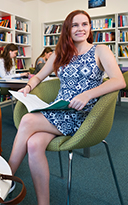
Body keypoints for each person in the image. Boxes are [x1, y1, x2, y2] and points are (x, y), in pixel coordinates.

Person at [8, 10, 126, 205]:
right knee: (34, 144)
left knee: (28, 120)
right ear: (67, 30)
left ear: (90, 28)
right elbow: (39, 76)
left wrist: (88, 93)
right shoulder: (61, 53)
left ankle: (6, 178)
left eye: (84, 24)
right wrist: (28, 87)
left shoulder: (100, 50)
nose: (80, 28)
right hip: (59, 110)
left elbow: (119, 81)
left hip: (83, 115)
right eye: (75, 25)